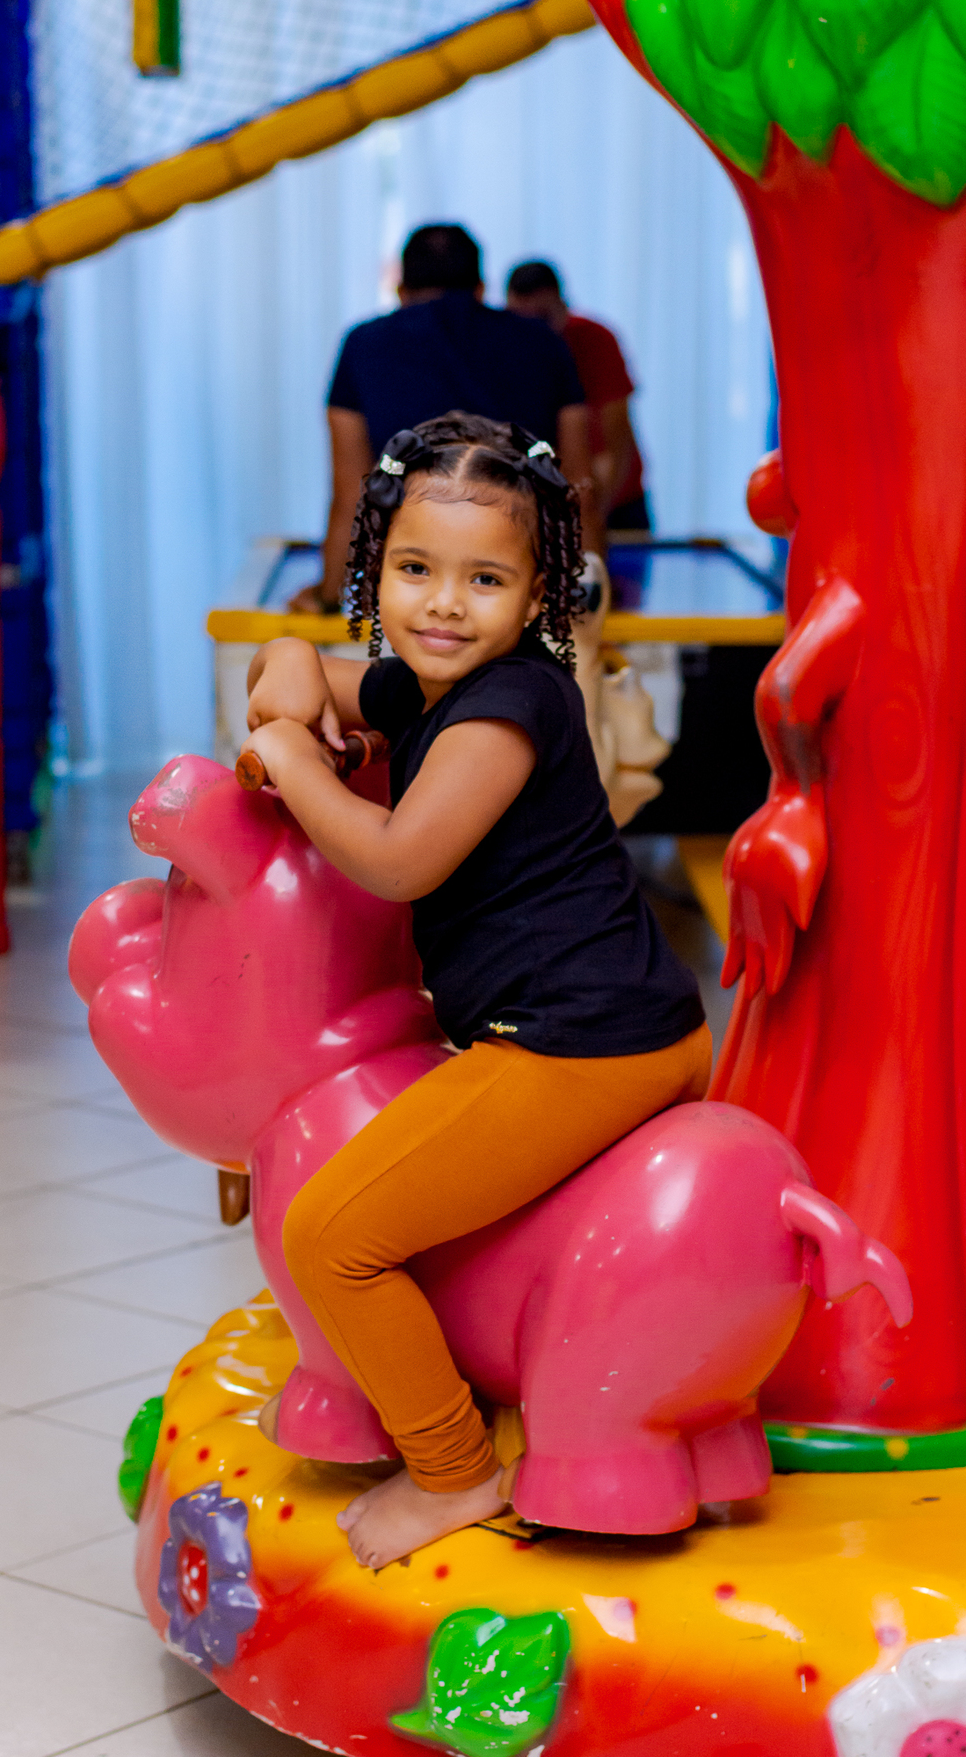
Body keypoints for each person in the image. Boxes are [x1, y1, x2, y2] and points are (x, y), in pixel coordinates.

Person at [242, 411, 708, 1567]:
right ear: (376, 571)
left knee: (331, 1238)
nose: (443, 606)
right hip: (574, 1025)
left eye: (484, 580)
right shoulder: (427, 684)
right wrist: (293, 667)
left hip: (581, 1042)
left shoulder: (511, 706)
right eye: (415, 571)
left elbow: (398, 859)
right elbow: (294, 667)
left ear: (538, 593)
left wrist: (295, 757)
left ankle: (452, 1472)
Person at [288, 226, 600, 614]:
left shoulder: (363, 345)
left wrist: (329, 594)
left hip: (418, 582)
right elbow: (578, 487)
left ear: (401, 291)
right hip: (519, 579)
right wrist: (589, 600)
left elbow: (352, 492)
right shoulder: (543, 343)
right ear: (481, 288)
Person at [506, 259, 651, 531]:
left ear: (563, 307)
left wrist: (591, 515)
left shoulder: (594, 339)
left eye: (543, 317)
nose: (536, 332)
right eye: (523, 321)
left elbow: (616, 438)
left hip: (613, 501)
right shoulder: (503, 348)